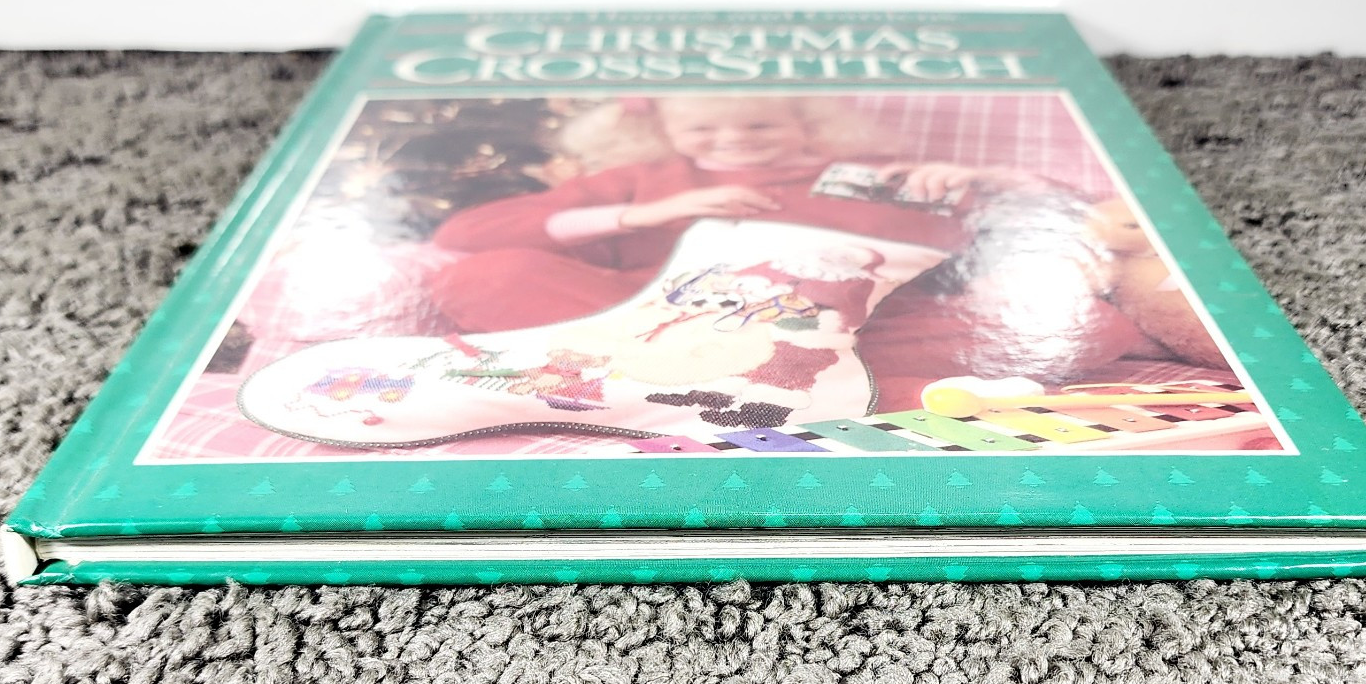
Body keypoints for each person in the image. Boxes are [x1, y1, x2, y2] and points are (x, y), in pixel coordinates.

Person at [426, 95, 1149, 412]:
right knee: (487, 277)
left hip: (835, 327)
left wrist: (985, 182)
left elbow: (1084, 219)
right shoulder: (646, 178)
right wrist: (647, 213)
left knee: (1087, 325)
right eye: (704, 130)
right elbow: (463, 237)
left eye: (759, 126)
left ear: (805, 121)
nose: (733, 142)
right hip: (655, 320)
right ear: (667, 128)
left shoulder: (874, 173)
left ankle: (761, 383)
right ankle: (816, 387)